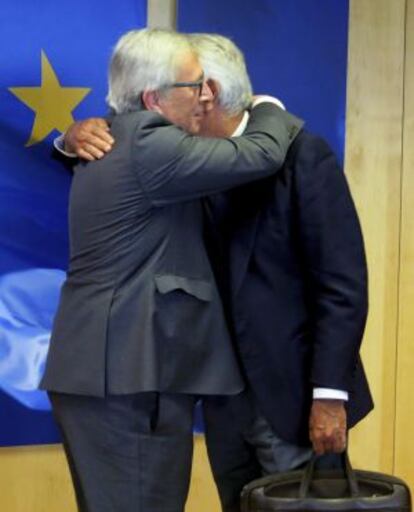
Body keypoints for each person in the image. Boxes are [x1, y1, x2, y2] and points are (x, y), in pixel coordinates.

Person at [65, 33, 374, 512]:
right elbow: (112, 160)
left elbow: (341, 286)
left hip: (293, 399)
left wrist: (330, 395)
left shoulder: (300, 156)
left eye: (193, 91)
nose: (189, 106)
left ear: (208, 94)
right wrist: (67, 139)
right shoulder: (170, 156)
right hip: (221, 397)